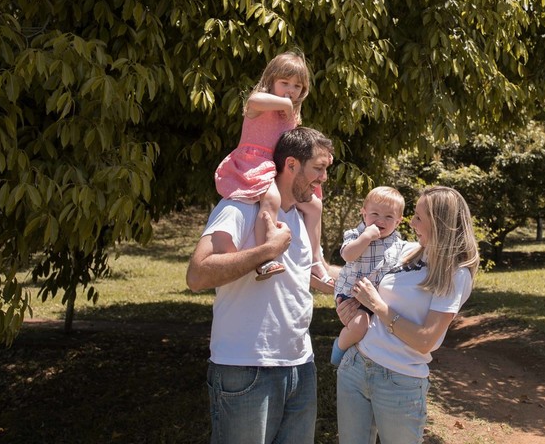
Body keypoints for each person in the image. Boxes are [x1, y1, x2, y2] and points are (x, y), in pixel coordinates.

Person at [187, 126, 336, 444]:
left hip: (300, 366)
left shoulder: (301, 216)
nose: (324, 178)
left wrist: (373, 279)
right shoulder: (239, 207)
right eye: (318, 168)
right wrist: (267, 250)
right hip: (246, 367)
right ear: (291, 164)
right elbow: (197, 275)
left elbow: (308, 274)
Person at [335, 186, 479, 444]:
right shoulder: (405, 250)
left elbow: (425, 340)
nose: (411, 223)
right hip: (355, 366)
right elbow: (357, 272)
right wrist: (330, 288)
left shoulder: (455, 274)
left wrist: (377, 305)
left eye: (419, 218)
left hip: (399, 381)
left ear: (439, 224)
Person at [213, 50, 328, 282]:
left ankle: (316, 259)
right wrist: (284, 102)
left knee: (315, 205)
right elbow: (254, 100)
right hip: (254, 164)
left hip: (277, 168)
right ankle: (264, 257)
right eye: (284, 83)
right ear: (271, 80)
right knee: (272, 199)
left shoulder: (291, 115)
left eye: (297, 86)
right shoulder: (260, 105)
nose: (291, 90)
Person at [330, 186, 411, 366]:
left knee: (379, 330)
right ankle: (339, 350)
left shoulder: (398, 244)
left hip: (377, 299)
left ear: (398, 221)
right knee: (360, 326)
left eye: (389, 216)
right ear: (364, 213)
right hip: (352, 294)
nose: (380, 220)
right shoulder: (356, 234)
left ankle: (365, 357)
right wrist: (366, 237)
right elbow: (348, 255)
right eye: (375, 214)